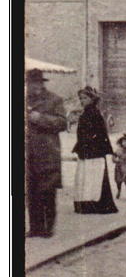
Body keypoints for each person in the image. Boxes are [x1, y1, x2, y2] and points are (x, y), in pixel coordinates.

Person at [25, 68, 67, 238]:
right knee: (31, 191)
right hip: (29, 154)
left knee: (48, 191)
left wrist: (39, 118)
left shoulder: (54, 100)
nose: (32, 86)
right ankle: (35, 228)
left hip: (48, 153)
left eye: (35, 83)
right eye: (29, 83)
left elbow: (62, 123)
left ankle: (48, 228)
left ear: (41, 83)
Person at [72, 87, 118, 215]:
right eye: (80, 98)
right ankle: (86, 203)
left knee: (95, 177)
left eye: (85, 98)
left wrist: (94, 143)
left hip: (94, 150)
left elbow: (101, 133)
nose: (82, 101)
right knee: (85, 177)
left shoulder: (95, 114)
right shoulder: (85, 113)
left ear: (92, 99)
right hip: (85, 149)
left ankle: (96, 204)